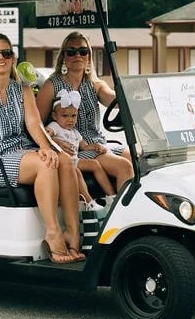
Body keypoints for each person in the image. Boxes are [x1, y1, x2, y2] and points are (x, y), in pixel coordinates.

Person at [0, 34, 84, 263]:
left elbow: (34, 125)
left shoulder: (22, 90)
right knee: (45, 164)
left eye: (6, 53)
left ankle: (72, 233)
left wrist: (46, 147)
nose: (1, 58)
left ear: (13, 58)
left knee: (62, 159)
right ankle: (53, 233)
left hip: (18, 153)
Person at [36, 32, 134, 197]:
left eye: (83, 51)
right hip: (75, 148)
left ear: (88, 57)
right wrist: (52, 140)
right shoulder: (51, 85)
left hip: (99, 143)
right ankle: (121, 216)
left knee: (136, 157)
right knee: (124, 166)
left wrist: (133, 95)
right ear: (64, 58)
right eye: (71, 51)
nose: (77, 55)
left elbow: (114, 100)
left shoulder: (95, 85)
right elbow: (35, 123)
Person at [46, 89, 113, 199]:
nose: (70, 120)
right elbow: (45, 134)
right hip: (63, 162)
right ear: (54, 115)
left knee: (95, 164)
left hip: (74, 160)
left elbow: (85, 146)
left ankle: (111, 196)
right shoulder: (55, 126)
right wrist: (53, 139)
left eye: (73, 116)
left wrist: (96, 146)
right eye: (65, 116)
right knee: (76, 172)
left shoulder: (75, 132)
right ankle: (89, 201)